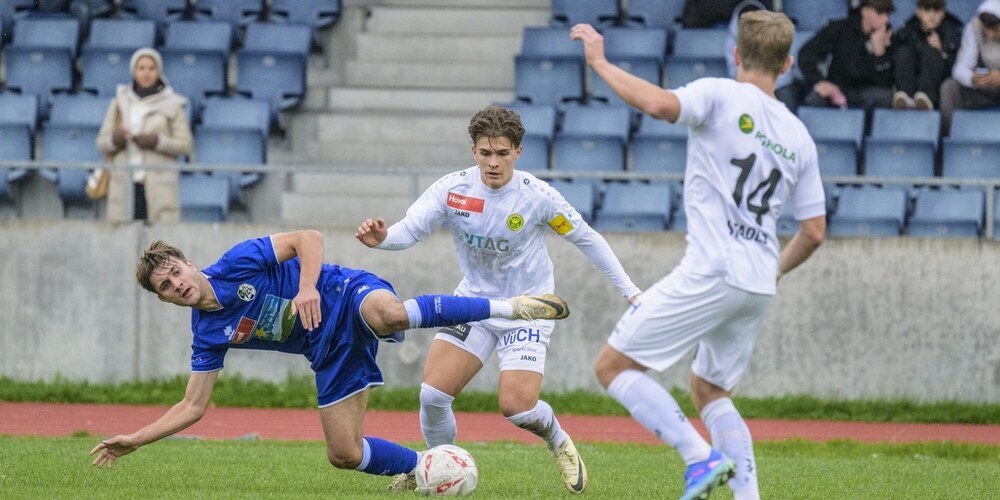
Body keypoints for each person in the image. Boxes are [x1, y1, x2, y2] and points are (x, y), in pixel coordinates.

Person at [572, 9, 826, 500]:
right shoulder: (800, 135)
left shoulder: (720, 93)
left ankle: (699, 456)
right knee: (711, 390)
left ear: (736, 54)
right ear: (787, 64)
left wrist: (600, 63)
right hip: (758, 281)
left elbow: (658, 104)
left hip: (713, 267)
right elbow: (814, 232)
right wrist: (773, 270)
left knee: (613, 366)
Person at [89, 230, 570, 483]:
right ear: (164, 299)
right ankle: (424, 469)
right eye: (166, 286)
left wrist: (306, 288)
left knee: (389, 315)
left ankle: (510, 307)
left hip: (343, 293)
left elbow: (309, 238)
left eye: (176, 272)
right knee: (344, 454)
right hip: (327, 351)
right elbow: (193, 406)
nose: (177, 284)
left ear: (189, 264)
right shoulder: (207, 334)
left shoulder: (236, 262)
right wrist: (137, 439)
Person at [355, 105, 642, 494]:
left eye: (502, 153)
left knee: (517, 408)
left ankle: (557, 439)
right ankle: (436, 468)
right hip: (473, 304)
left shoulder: (537, 197)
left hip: (528, 309)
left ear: (518, 152)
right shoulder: (453, 191)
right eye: (485, 153)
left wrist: (630, 290)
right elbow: (411, 228)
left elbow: (587, 238)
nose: (493, 163)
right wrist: (384, 238)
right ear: (473, 151)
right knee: (433, 395)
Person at [96, 47, 192, 223]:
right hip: (124, 183)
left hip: (159, 185)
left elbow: (185, 145)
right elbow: (102, 143)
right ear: (134, 71)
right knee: (123, 236)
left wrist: (157, 141)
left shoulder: (173, 103)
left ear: (158, 71)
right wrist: (116, 139)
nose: (146, 73)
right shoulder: (119, 102)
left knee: (159, 237)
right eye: (141, 68)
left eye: (151, 68)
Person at [798, 0, 896, 110]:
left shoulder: (888, 36)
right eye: (880, 13)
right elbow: (806, 54)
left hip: (867, 91)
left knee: (886, 97)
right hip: (836, 88)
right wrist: (819, 81)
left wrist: (880, 53)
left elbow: (885, 82)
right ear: (865, 11)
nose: (885, 19)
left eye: (888, 14)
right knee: (816, 98)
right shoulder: (840, 29)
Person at [939, 0, 1000, 134]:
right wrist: (973, 78)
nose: (990, 35)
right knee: (950, 88)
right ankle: (950, 140)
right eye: (986, 29)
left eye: (995, 29)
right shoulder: (975, 27)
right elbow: (960, 68)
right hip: (987, 90)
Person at [891, 0, 964, 110]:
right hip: (912, 82)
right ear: (918, 12)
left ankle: (926, 98)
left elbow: (959, 69)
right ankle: (906, 97)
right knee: (903, 52)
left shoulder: (953, 33)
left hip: (938, 88)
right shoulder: (906, 32)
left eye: (936, 10)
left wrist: (942, 52)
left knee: (932, 52)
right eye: (927, 10)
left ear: (943, 12)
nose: (932, 15)